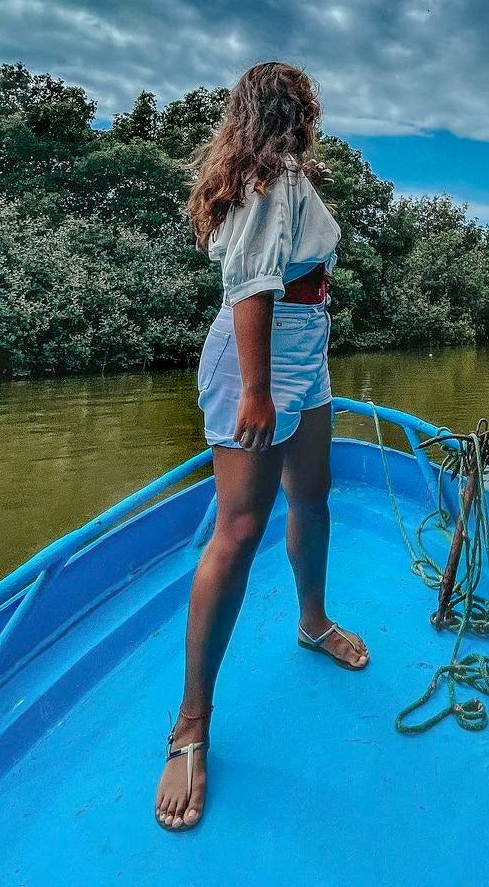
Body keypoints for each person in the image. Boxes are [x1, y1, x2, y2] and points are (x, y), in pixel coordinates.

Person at [154, 61, 369, 833]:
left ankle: (312, 622)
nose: (313, 119)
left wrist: (294, 378)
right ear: (294, 112)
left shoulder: (287, 177)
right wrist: (254, 391)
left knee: (312, 493)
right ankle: (189, 728)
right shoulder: (266, 183)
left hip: (304, 355)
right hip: (261, 362)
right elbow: (249, 287)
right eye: (308, 108)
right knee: (238, 529)